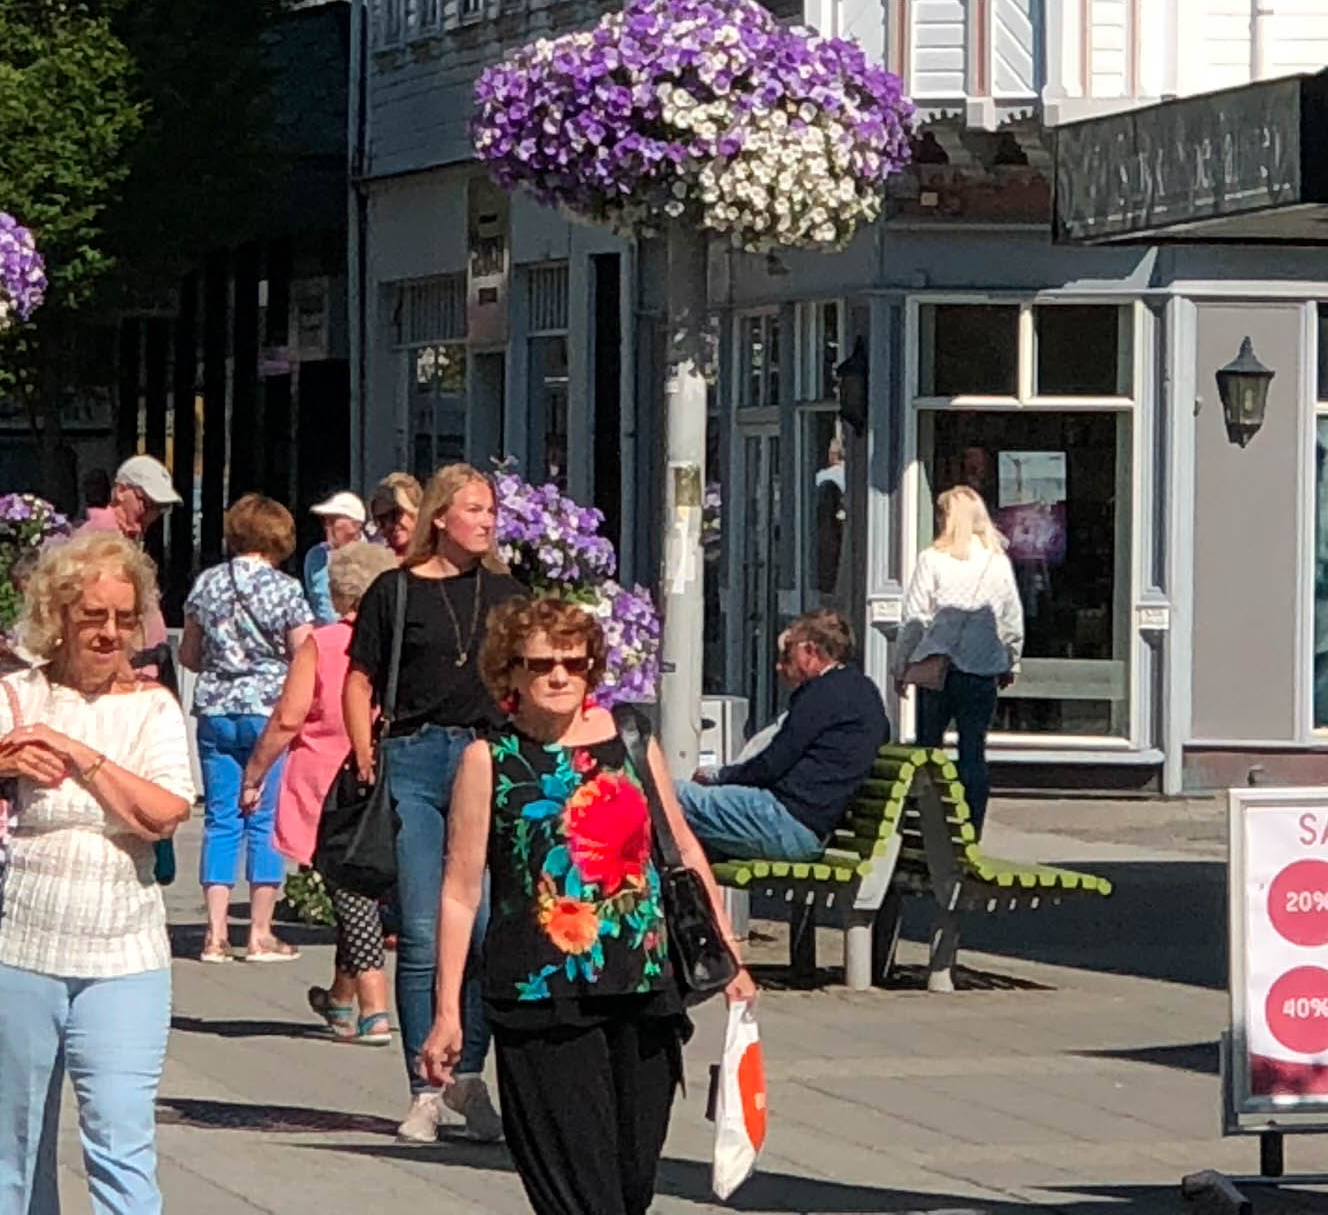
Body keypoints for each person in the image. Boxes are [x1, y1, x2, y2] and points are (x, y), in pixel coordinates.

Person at [0, 524, 196, 1215]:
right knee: (17, 1150)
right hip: (17, 951)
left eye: (122, 618)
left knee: (122, 1139)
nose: (110, 634)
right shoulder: (9, 699)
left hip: (126, 956)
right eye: (92, 618)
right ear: (58, 619)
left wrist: (78, 753)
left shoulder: (153, 710)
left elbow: (165, 813)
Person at [422, 589, 753, 1215]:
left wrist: (729, 953)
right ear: (510, 671)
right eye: (542, 663)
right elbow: (461, 891)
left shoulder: (629, 739)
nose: (559, 677)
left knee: (631, 1185)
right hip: (540, 997)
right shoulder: (488, 760)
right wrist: (447, 1012)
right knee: (579, 1192)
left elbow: (680, 847)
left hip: (642, 987)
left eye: (574, 664)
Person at [345, 459, 507, 1144]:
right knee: (418, 928)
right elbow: (360, 679)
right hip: (412, 756)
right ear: (440, 517)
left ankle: (468, 1075)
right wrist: (363, 752)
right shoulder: (396, 591)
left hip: (486, 757)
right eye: (474, 508)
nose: (487, 520)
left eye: (491, 510)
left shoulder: (507, 592)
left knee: (480, 928)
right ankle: (423, 1087)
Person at [269, 536, 399, 1044]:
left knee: (352, 890)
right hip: (391, 775)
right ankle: (341, 1000)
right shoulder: (397, 645)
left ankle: (374, 1006)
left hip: (331, 784)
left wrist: (257, 773)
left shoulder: (323, 644)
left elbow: (288, 717)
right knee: (355, 886)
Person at [178, 492, 315, 962]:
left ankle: (213, 935)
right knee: (264, 821)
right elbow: (304, 654)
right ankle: (259, 933)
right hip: (267, 712)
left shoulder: (207, 584)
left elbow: (189, 655)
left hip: (215, 710)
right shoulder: (287, 590)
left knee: (220, 820)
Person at [680, 609, 891, 862]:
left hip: (786, 821)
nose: (779, 666)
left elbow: (771, 765)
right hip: (810, 825)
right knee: (677, 832)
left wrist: (719, 776)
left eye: (788, 653)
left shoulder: (822, 695)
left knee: (666, 794)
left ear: (811, 652)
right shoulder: (863, 690)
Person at [895, 485, 1026, 830]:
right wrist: (1011, 660)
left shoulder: (931, 559)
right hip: (981, 668)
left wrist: (901, 665)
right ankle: (970, 828)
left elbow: (914, 618)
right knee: (973, 752)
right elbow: (1010, 618)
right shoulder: (997, 563)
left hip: (937, 668)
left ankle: (929, 827)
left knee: (928, 753)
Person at [85, 456, 180, 653]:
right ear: (121, 491)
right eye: (146, 503)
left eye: (160, 508)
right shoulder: (97, 540)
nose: (152, 514)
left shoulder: (128, 537)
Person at [301, 492, 367, 624]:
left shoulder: (374, 559)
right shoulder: (316, 557)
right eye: (325, 521)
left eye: (333, 522)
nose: (327, 527)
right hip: (324, 639)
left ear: (355, 525)